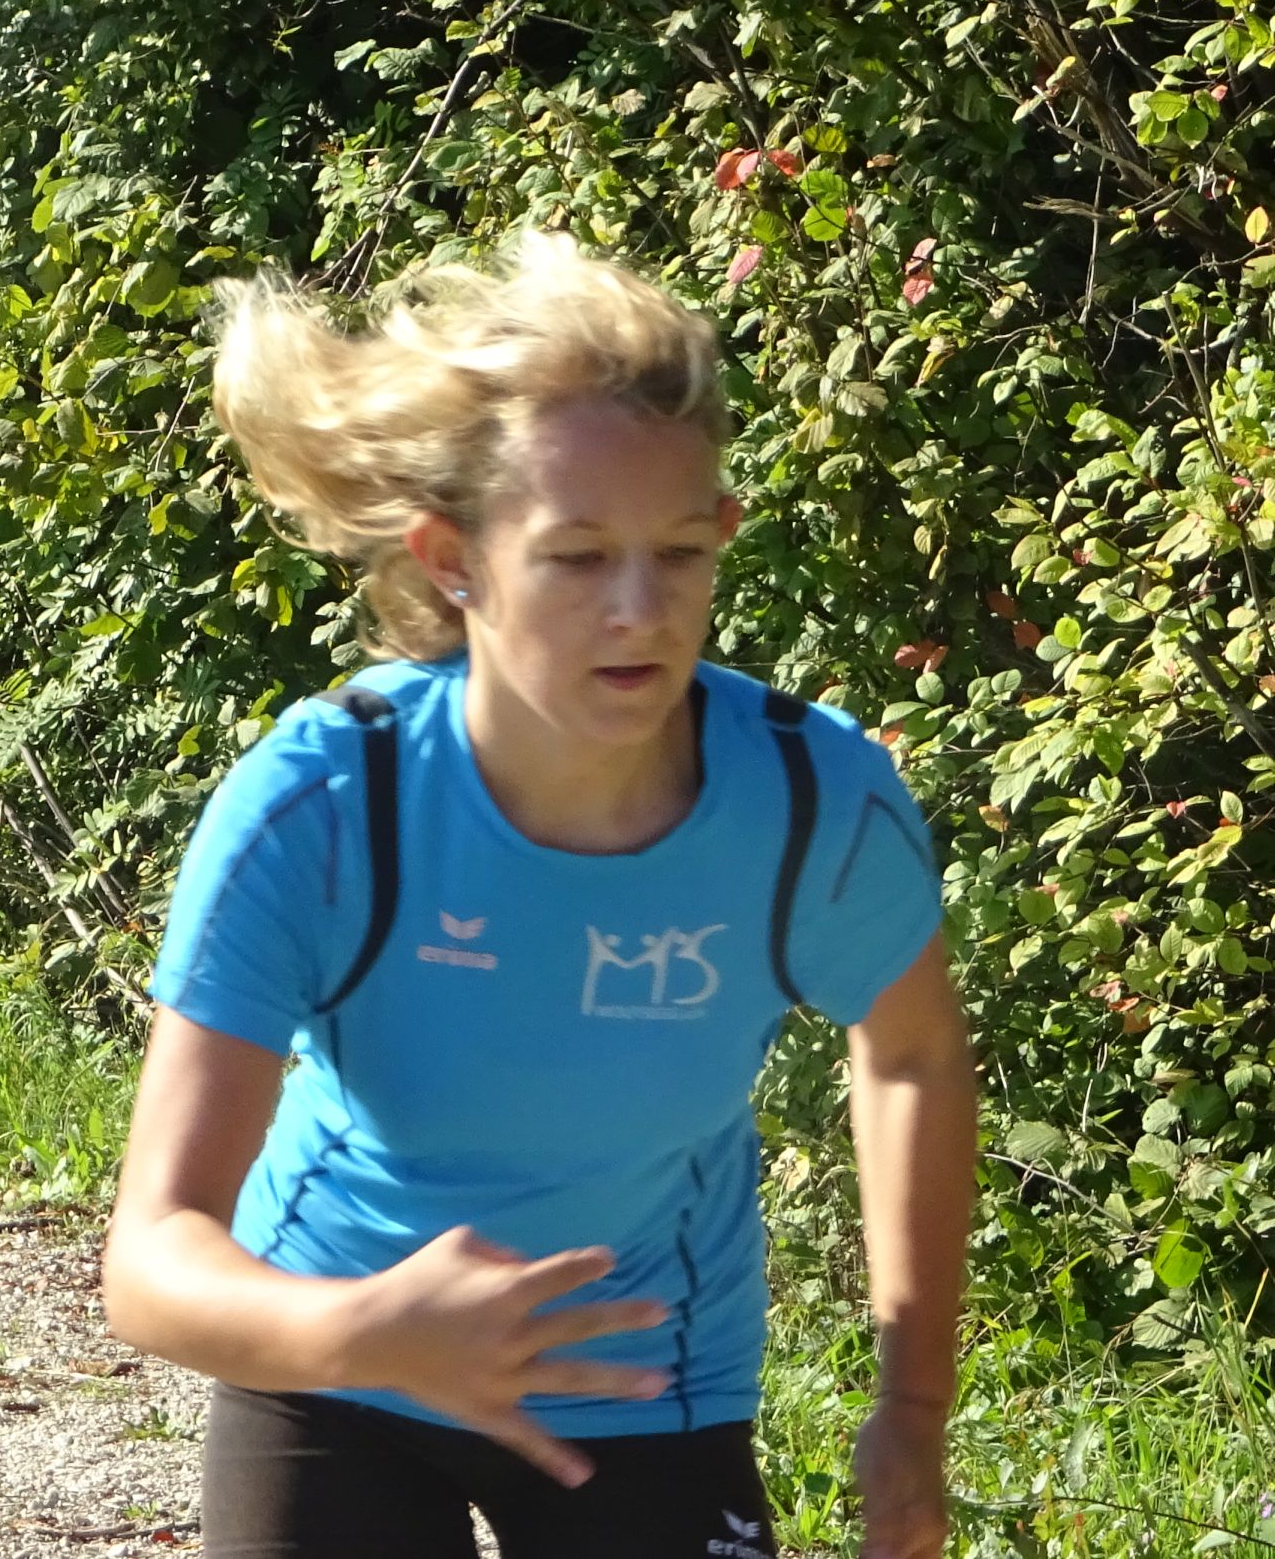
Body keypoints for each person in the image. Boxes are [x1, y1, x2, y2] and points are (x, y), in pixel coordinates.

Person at [99, 235, 974, 1559]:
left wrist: (911, 1408)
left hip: (644, 1385)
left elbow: (911, 1055)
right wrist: (360, 1328)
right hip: (337, 1362)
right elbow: (151, 1256)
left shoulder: (810, 802)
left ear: (724, 533)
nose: (640, 609)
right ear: (453, 557)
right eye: (575, 556)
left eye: (678, 551)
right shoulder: (325, 803)